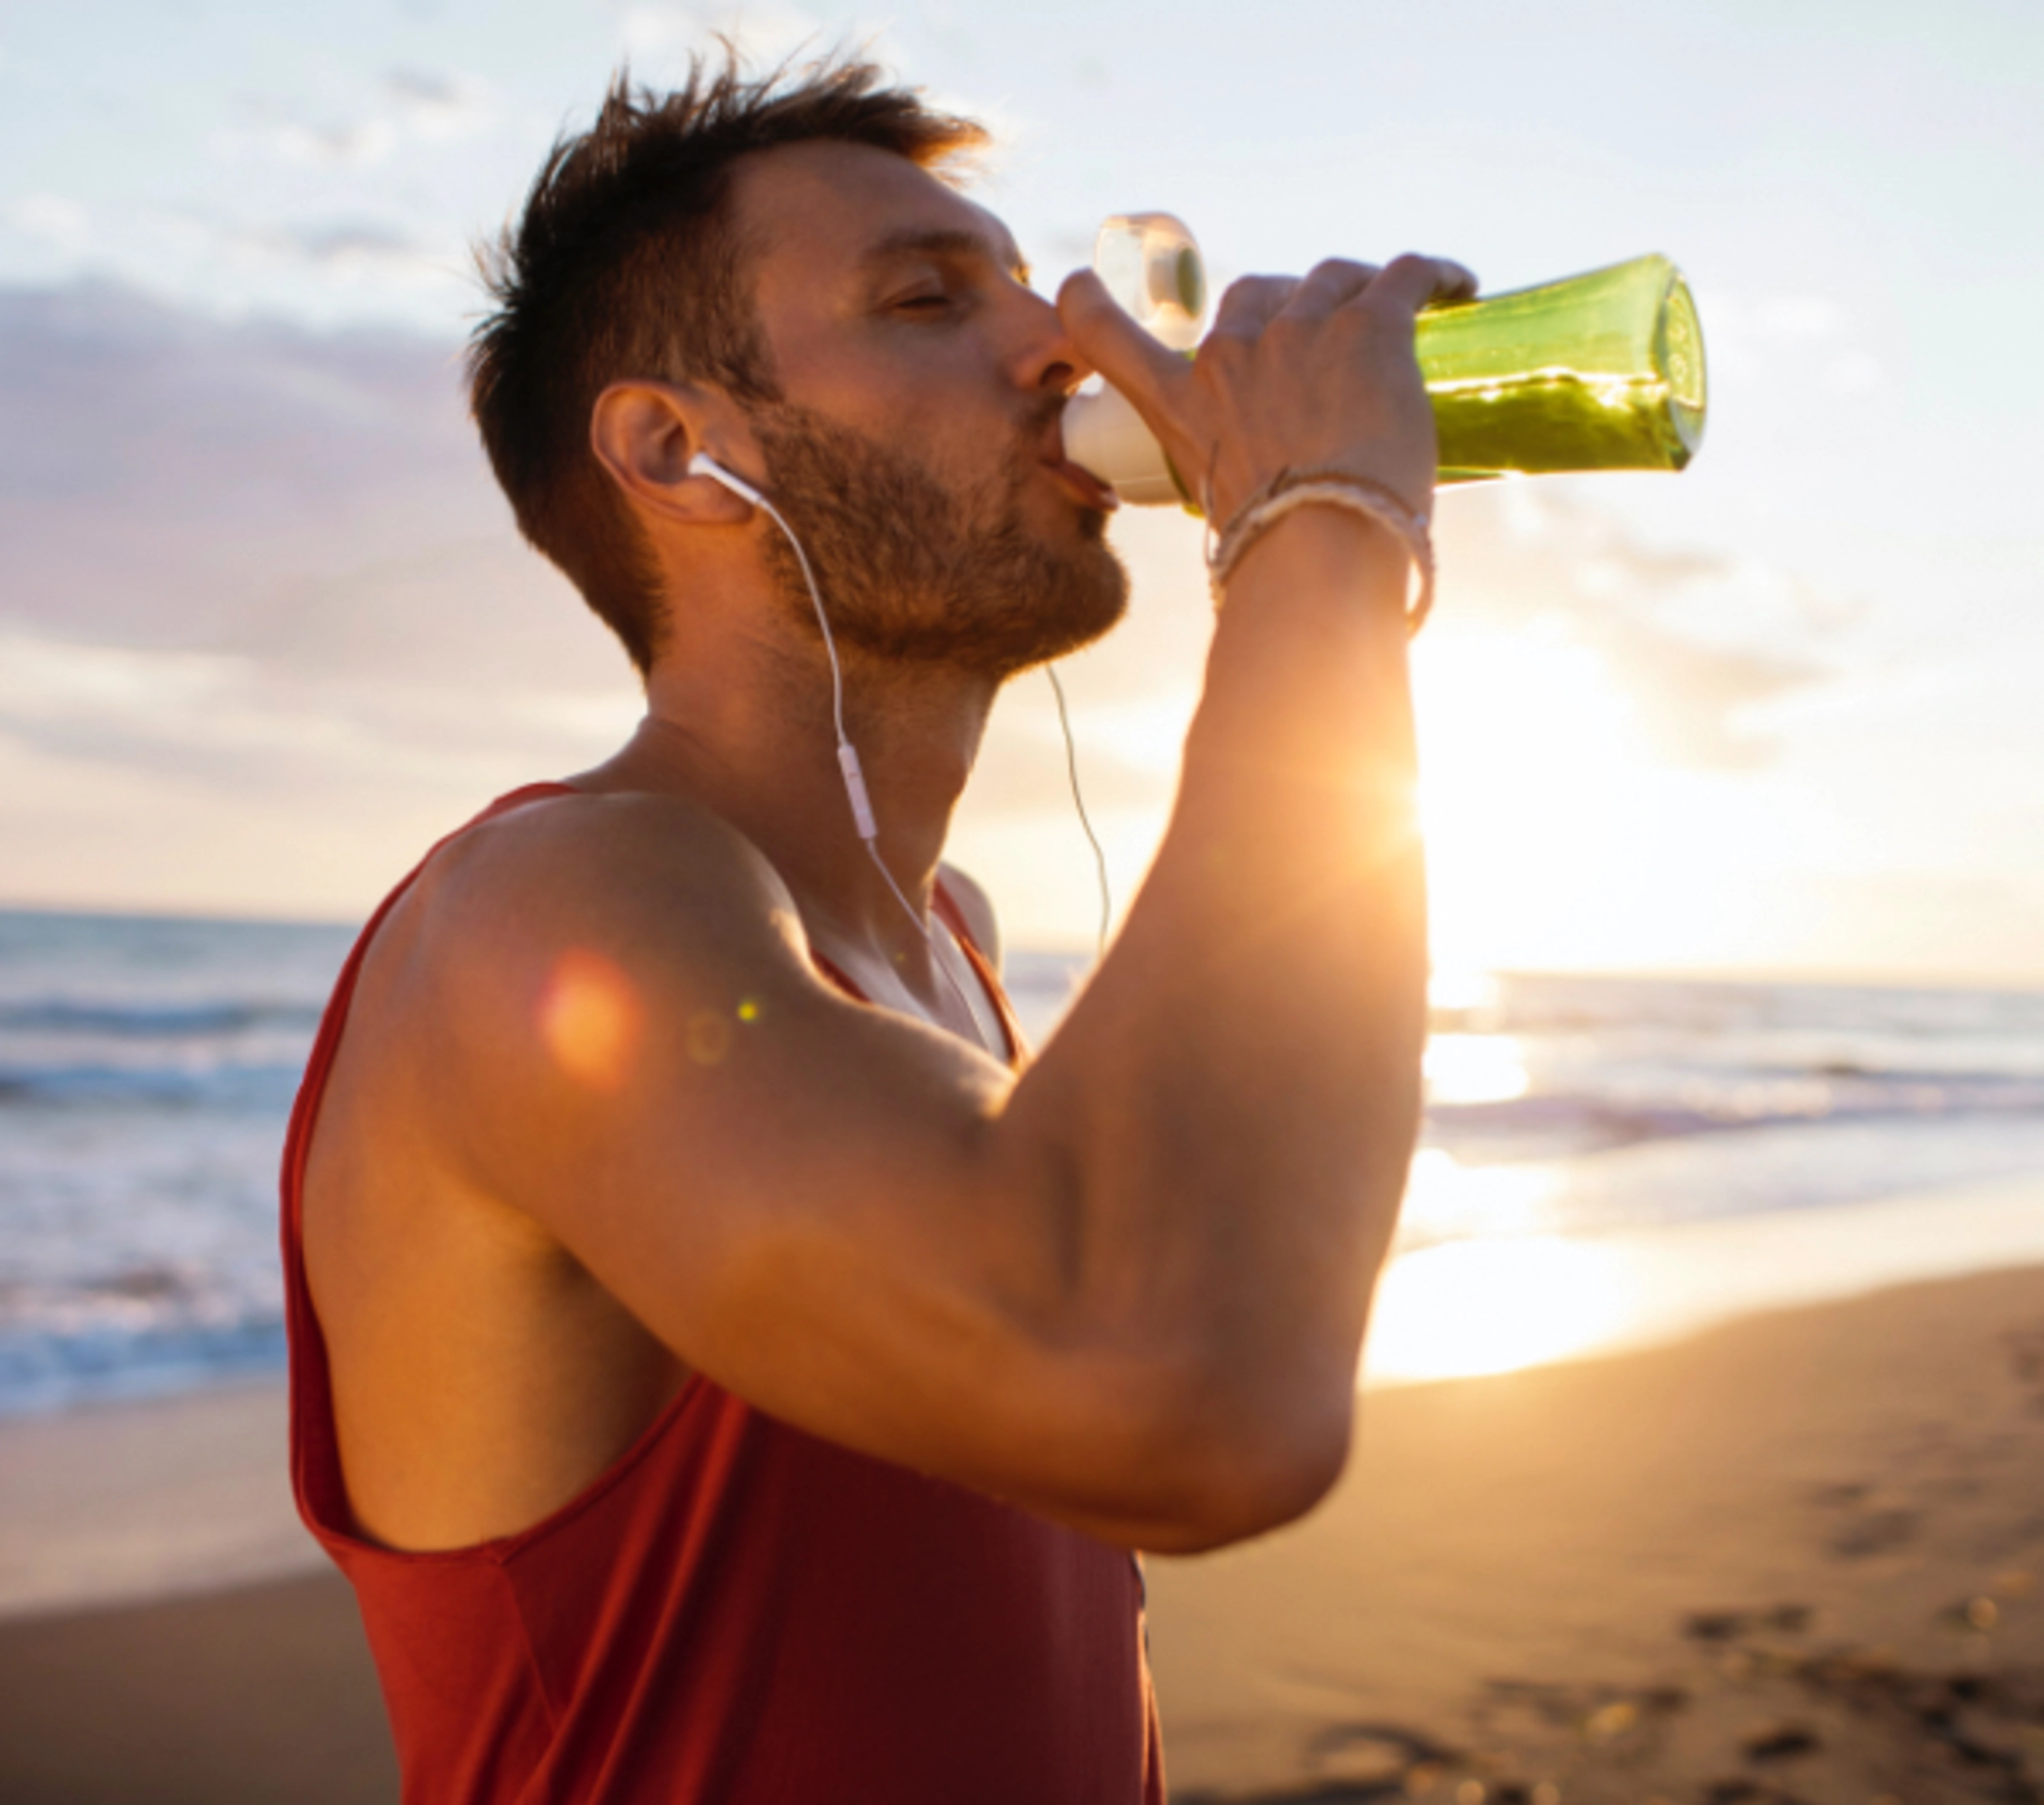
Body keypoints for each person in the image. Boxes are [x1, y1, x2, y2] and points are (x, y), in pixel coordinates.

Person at [280, 46, 1471, 1805]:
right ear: (678, 449)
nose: (1062, 346)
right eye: (928, 299)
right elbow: (1171, 1376)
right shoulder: (549, 914)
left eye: (1024, 282)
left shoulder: (942, 937)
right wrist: (1323, 527)